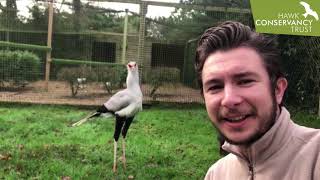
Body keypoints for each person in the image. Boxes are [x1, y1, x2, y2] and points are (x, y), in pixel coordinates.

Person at [195, 21, 320, 180]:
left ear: (278, 89)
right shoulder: (216, 174)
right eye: (215, 87)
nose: (229, 100)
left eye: (245, 81)